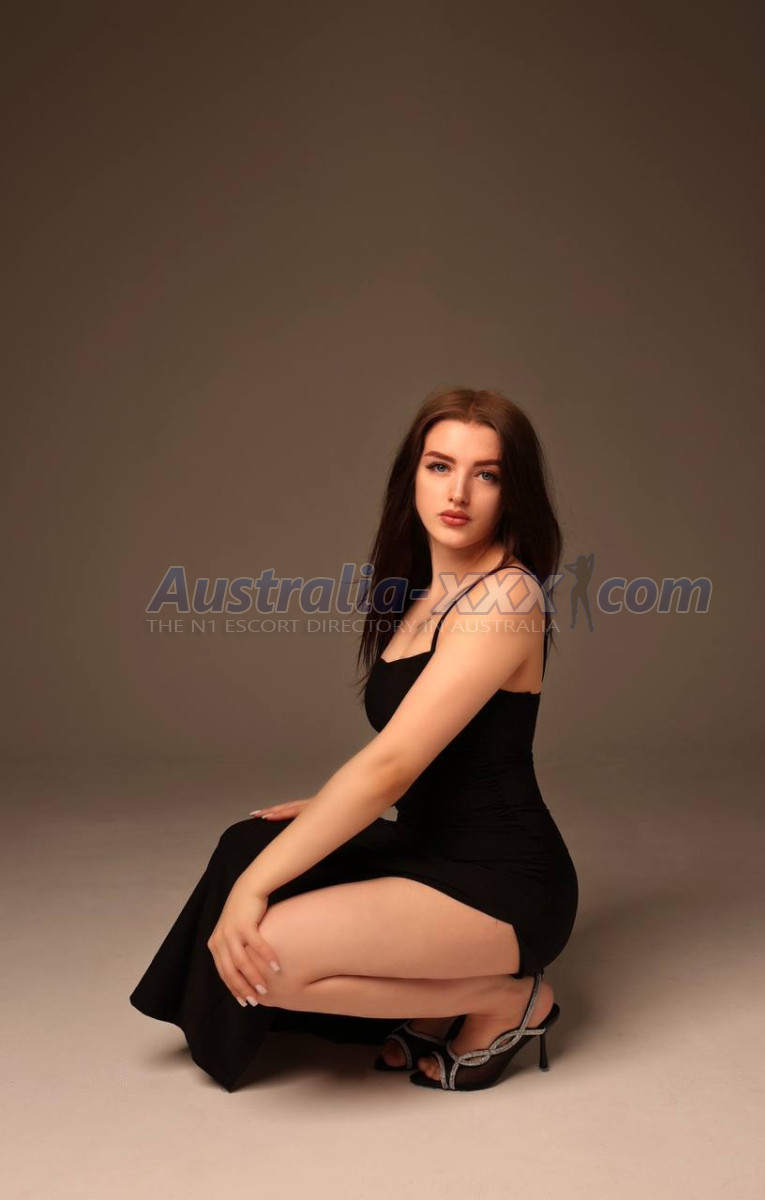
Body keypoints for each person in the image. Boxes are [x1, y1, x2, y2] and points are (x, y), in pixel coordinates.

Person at [130, 386, 579, 1092]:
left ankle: (503, 999)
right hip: (425, 845)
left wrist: (253, 889)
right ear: (413, 475)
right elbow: (426, 749)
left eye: (486, 474)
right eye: (440, 466)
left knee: (268, 953)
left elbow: (392, 764)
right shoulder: (424, 591)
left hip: (503, 881)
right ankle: (441, 996)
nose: (458, 492)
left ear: (511, 490)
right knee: (246, 840)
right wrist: (325, 808)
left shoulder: (507, 595)